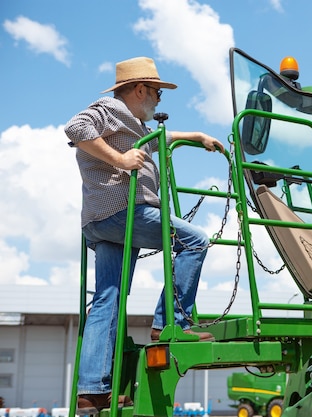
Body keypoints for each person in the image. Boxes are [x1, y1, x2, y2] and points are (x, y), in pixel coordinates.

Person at [65, 57, 224, 414]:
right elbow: (76, 128)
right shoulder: (110, 109)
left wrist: (195, 136)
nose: (159, 100)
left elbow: (157, 141)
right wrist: (120, 161)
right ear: (140, 89)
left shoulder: (132, 125)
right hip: (124, 213)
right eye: (157, 93)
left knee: (108, 298)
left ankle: (92, 391)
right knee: (194, 240)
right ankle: (169, 324)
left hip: (103, 221)